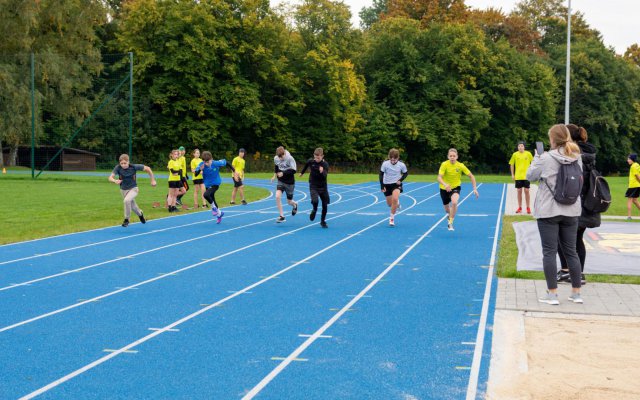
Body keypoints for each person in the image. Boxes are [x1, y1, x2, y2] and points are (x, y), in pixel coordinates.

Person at [526, 124, 583, 305]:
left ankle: (552, 294)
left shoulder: (546, 157)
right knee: (571, 252)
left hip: (548, 209)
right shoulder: (576, 157)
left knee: (549, 252)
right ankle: (576, 293)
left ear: (552, 139)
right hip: (572, 209)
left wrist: (537, 157)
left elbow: (530, 176)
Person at [556, 125, 599, 285]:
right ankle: (579, 273)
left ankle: (567, 271)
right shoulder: (590, 153)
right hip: (588, 201)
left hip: (574, 202)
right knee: (578, 239)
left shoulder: (572, 153)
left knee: (562, 237)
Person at [109, 154, 156, 227]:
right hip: (123, 190)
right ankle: (141, 215)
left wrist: (152, 180)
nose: (123, 165)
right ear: (119, 163)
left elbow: (148, 169)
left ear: (128, 162)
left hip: (133, 189)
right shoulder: (118, 168)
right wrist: (115, 181)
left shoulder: (134, 167)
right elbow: (110, 177)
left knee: (126, 201)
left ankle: (126, 220)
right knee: (133, 207)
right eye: (122, 163)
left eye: (125, 163)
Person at [437, 148, 479, 231]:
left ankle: (450, 222)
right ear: (448, 157)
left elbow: (471, 176)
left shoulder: (460, 166)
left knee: (454, 202)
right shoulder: (444, 164)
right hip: (444, 188)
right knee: (447, 209)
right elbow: (439, 177)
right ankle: (449, 217)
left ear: (457, 157)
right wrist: (445, 184)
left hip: (455, 187)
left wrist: (475, 189)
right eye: (450, 156)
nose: (452, 157)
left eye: (454, 156)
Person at [195, 151, 235, 224]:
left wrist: (234, 171)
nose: (207, 164)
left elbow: (227, 162)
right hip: (207, 184)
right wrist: (200, 169)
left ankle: (213, 208)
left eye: (208, 162)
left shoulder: (216, 163)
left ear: (211, 159)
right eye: (205, 162)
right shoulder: (201, 164)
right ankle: (219, 214)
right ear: (203, 161)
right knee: (212, 199)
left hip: (215, 183)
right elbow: (195, 174)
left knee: (206, 195)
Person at [300, 147, 330, 228]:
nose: (317, 159)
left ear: (322, 156)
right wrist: (302, 173)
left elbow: (325, 175)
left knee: (325, 205)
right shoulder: (311, 161)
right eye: (316, 157)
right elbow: (306, 165)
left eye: (319, 158)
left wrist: (322, 171)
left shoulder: (325, 164)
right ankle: (314, 210)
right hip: (313, 185)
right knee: (315, 200)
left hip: (323, 186)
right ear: (314, 156)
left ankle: (323, 221)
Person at [379, 148, 408, 227]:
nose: (392, 161)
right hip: (387, 184)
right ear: (389, 157)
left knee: (395, 199)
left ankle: (391, 219)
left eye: (394, 160)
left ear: (398, 158)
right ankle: (397, 204)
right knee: (389, 204)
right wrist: (382, 185)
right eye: (391, 160)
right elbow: (381, 174)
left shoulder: (401, 165)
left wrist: (400, 180)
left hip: (396, 184)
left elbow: (405, 173)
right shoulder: (385, 164)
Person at [271, 146, 298, 223]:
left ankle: (295, 204)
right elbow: (276, 167)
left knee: (289, 201)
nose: (280, 159)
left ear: (284, 153)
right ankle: (282, 216)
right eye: (279, 157)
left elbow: (294, 170)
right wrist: (274, 176)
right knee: (277, 196)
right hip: (281, 181)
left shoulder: (290, 158)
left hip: (290, 182)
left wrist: (283, 173)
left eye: (281, 157)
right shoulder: (276, 158)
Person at [509, 141, 533, 214]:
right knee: (519, 191)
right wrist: (512, 174)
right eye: (519, 146)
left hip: (527, 176)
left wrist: (532, 173)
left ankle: (528, 207)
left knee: (526, 191)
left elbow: (533, 163)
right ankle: (519, 207)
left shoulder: (528, 154)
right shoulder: (515, 154)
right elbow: (512, 164)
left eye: (522, 146)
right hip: (518, 176)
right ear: (517, 147)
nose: (520, 147)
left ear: (524, 147)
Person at [625, 153, 640, 220]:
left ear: (632, 159)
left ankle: (629, 216)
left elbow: (637, 176)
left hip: (633, 186)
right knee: (635, 200)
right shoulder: (637, 165)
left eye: (629, 159)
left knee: (629, 200)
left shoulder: (633, 166)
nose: (627, 160)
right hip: (637, 185)